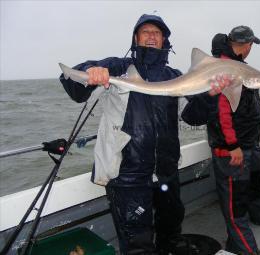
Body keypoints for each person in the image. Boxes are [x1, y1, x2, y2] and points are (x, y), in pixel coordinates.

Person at [60, 14, 190, 255]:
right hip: (128, 178)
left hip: (166, 174)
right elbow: (73, 87)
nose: (151, 35)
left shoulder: (175, 76)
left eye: (157, 32)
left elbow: (195, 117)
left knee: (170, 233)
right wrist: (91, 72)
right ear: (135, 37)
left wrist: (212, 96)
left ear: (164, 40)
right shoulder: (118, 67)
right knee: (137, 245)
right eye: (145, 31)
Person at [181, 26, 260, 255]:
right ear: (245, 45)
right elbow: (222, 112)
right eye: (251, 45)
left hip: (249, 143)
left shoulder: (241, 67)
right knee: (236, 204)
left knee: (256, 184)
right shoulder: (222, 71)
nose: (251, 49)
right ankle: (242, 246)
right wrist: (233, 146)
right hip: (232, 148)